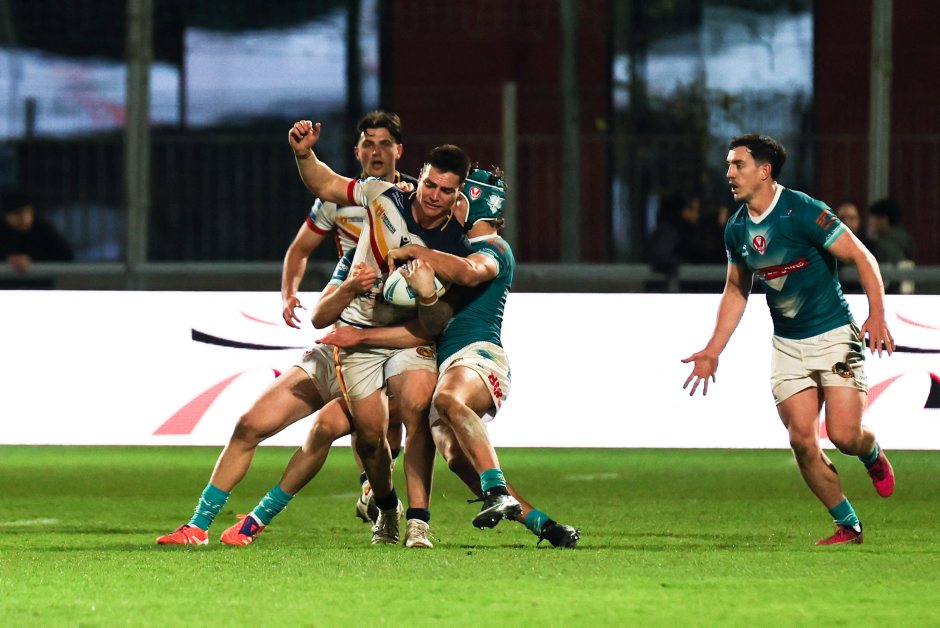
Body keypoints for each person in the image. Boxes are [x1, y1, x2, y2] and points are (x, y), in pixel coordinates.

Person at [319, 167, 580, 547]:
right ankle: (546, 526)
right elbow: (422, 327)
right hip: (446, 364)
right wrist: (362, 335)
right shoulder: (452, 251)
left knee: (446, 399)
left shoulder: (493, 248)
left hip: (479, 356)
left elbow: (472, 273)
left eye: (456, 198)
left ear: (471, 203)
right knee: (456, 457)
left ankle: (495, 491)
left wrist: (416, 251)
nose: (447, 204)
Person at [682, 134, 896, 546]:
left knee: (844, 436)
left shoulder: (803, 211)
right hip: (788, 345)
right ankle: (848, 525)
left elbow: (861, 256)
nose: (729, 174)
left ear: (764, 171)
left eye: (738, 165)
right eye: (728, 165)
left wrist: (878, 314)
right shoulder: (737, 229)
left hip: (833, 336)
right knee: (801, 439)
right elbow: (737, 289)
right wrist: (712, 350)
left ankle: (870, 452)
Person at [289, 118, 473, 546]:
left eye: (446, 191)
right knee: (371, 439)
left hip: (408, 335)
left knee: (417, 410)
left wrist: (426, 292)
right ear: (420, 176)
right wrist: (303, 153)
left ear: (457, 195)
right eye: (430, 185)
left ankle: (419, 522)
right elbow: (326, 183)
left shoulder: (454, 246)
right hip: (359, 326)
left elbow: (436, 322)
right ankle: (387, 508)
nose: (434, 196)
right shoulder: (382, 195)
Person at [279, 110, 416, 522]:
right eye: (368, 144)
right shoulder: (339, 200)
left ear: (399, 150)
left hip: (401, 314)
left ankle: (378, 489)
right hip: (353, 311)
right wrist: (289, 293)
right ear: (357, 151)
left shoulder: (415, 196)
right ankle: (372, 488)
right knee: (365, 408)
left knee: (396, 411)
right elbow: (299, 249)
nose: (376, 152)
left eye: (384, 144)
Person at [0, 190, 73, 273]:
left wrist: (31, 260)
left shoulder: (42, 229)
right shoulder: (2, 230)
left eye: (28, 212)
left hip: (39, 279)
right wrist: (8, 259)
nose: (25, 219)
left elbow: (65, 255)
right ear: (6, 216)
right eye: (18, 214)